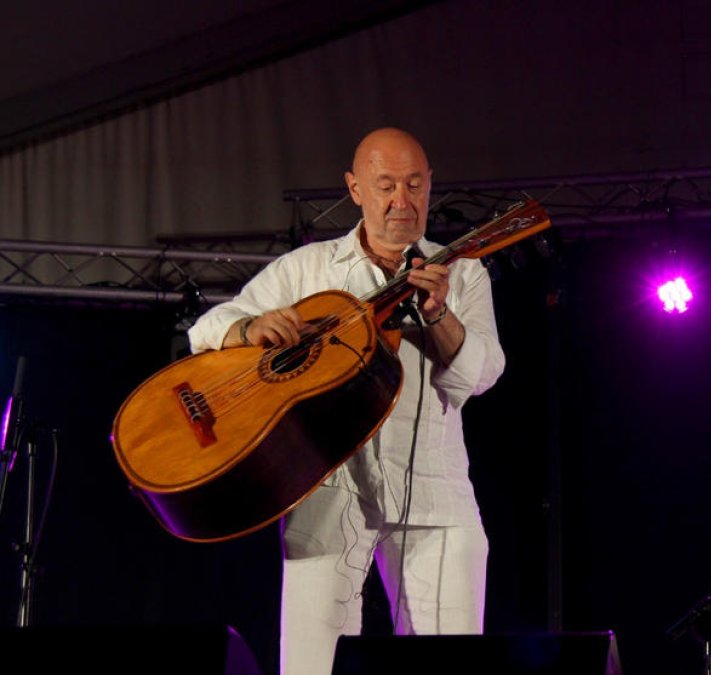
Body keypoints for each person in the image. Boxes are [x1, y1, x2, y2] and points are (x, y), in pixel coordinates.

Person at [187, 127, 505, 675]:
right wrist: (249, 328)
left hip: (435, 494)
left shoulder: (462, 272)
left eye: (414, 185)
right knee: (311, 665)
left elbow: (482, 374)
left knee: (449, 665)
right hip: (327, 489)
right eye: (386, 185)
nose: (401, 201)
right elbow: (206, 330)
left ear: (431, 186)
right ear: (355, 188)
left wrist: (438, 314)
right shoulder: (308, 269)